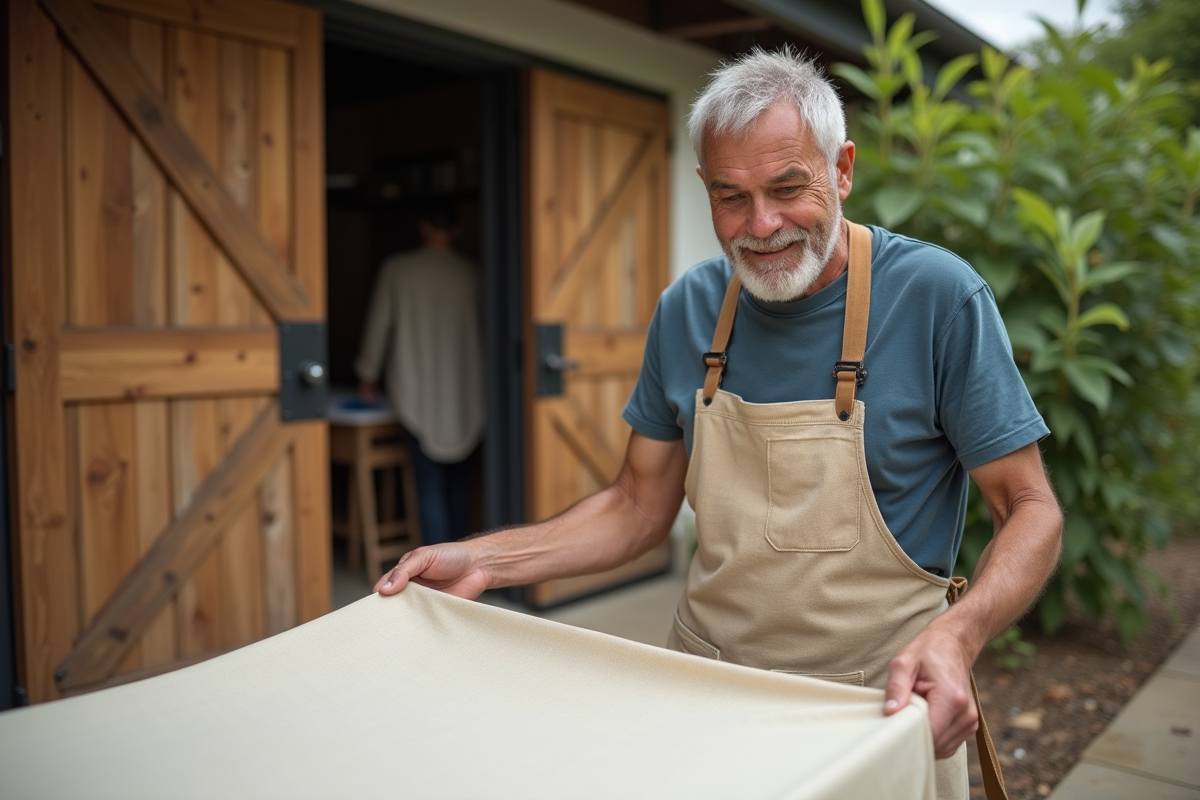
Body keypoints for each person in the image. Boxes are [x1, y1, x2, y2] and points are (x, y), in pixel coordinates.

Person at [375, 49, 1062, 799]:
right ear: (703, 185)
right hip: (703, 687)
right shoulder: (688, 309)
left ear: (842, 170)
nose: (761, 225)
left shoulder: (936, 297)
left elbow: (1028, 508)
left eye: (787, 188)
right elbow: (638, 506)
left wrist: (956, 638)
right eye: (731, 197)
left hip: (878, 703)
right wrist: (484, 560)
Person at [355, 206, 484, 546]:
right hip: (468, 394)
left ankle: (438, 574)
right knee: (459, 483)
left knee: (428, 484)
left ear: (423, 227)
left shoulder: (397, 270)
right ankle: (461, 563)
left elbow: (378, 326)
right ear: (457, 230)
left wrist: (368, 373)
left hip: (417, 394)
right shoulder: (474, 273)